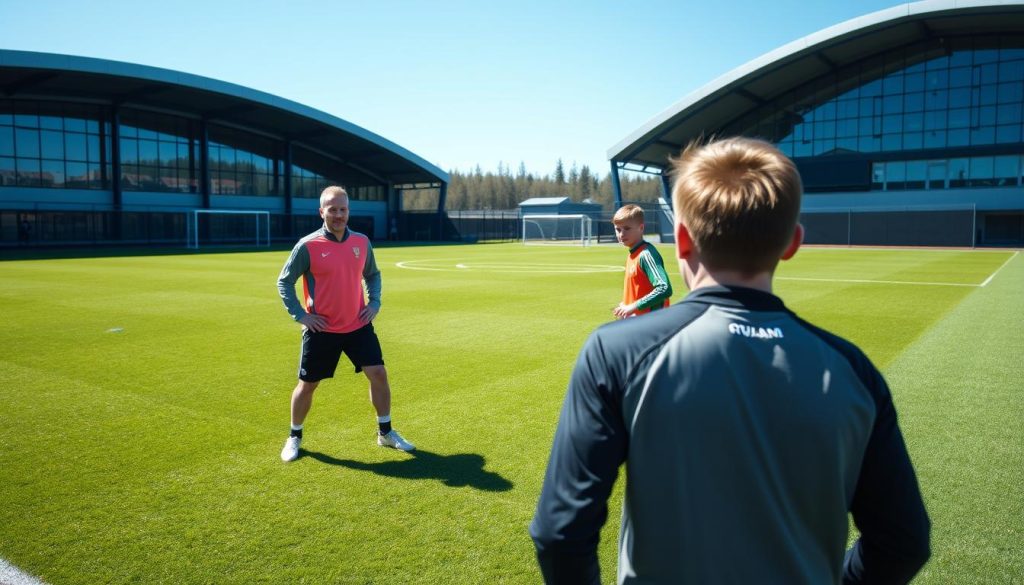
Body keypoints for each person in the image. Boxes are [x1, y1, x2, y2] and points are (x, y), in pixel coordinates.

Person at [530, 138, 930, 584]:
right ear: (793, 243)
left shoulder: (616, 352)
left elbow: (560, 533)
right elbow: (903, 542)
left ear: (682, 241)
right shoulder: (853, 370)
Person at [277, 185, 414, 462]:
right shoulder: (308, 245)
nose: (338, 215)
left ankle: (385, 432)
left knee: (378, 374)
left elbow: (373, 274)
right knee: (307, 384)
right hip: (321, 329)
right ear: (322, 212)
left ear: (348, 211)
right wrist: (301, 315)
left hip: (358, 325)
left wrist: (374, 302)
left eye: (343, 209)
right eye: (332, 209)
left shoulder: (361, 242)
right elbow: (285, 281)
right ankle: (294, 436)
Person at [611, 205, 672, 319]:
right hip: (638, 323)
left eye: (627, 228)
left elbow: (664, 288)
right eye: (618, 229)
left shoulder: (646, 255)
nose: (621, 234)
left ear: (641, 228)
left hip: (651, 324)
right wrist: (626, 305)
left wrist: (632, 307)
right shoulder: (633, 254)